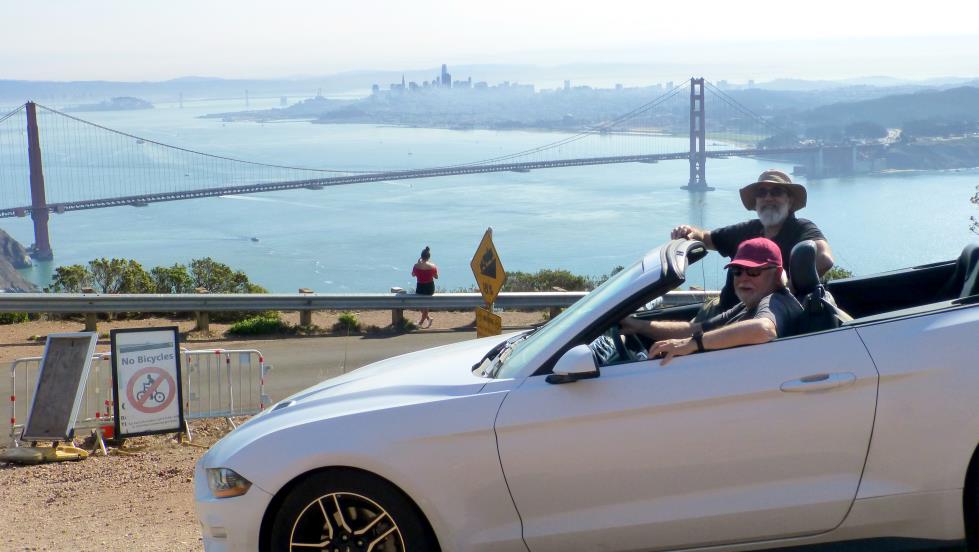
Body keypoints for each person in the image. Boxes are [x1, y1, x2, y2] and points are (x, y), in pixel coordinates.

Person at [619, 237, 802, 366]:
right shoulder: (745, 306)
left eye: (753, 271)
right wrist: (638, 326)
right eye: (737, 271)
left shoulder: (776, 301)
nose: (743, 278)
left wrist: (693, 344)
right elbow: (696, 329)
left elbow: (763, 329)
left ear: (777, 275)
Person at [670, 169, 834, 311]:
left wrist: (783, 294)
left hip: (753, 322)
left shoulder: (801, 229)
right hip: (725, 314)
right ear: (756, 202)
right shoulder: (747, 230)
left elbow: (824, 259)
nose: (768, 197)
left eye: (776, 191)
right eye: (761, 193)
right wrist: (689, 231)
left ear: (790, 201)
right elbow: (706, 238)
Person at [411, 246, 439, 328]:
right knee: (424, 305)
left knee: (421, 304)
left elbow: (413, 275)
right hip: (429, 287)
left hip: (420, 286)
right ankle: (429, 319)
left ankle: (420, 323)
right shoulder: (432, 266)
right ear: (429, 257)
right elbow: (436, 277)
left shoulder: (416, 266)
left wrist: (418, 264)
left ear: (421, 256)